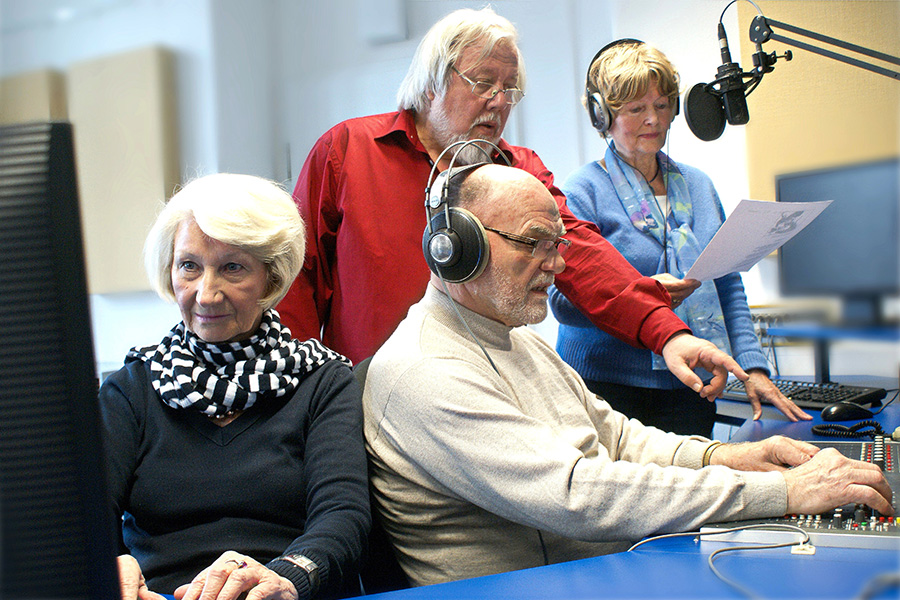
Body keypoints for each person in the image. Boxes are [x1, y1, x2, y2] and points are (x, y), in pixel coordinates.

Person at [362, 164, 893, 587]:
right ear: (457, 249)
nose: (558, 265)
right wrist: (782, 491)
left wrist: (728, 456)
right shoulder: (422, 371)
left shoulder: (514, 336)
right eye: (535, 243)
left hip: (596, 571)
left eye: (559, 244)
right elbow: (578, 493)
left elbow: (615, 436)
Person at [277, 7, 750, 402]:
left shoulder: (519, 169)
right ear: (430, 85)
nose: (499, 102)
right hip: (368, 402)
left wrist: (667, 332)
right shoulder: (347, 150)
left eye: (509, 90)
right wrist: (301, 402)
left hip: (486, 403)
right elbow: (295, 282)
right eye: (483, 83)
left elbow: (580, 252)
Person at [100, 174, 370, 600]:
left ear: (272, 276)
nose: (206, 295)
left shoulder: (323, 382)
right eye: (189, 266)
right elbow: (82, 519)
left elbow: (342, 516)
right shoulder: (130, 388)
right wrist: (106, 569)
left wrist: (287, 578)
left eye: (232, 268)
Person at [549, 39, 809, 435]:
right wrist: (642, 291)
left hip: (691, 382)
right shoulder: (581, 190)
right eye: (636, 109)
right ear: (604, 116)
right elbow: (561, 300)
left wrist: (753, 367)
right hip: (606, 390)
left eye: (662, 104)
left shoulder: (699, 185)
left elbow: (728, 285)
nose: (654, 119)